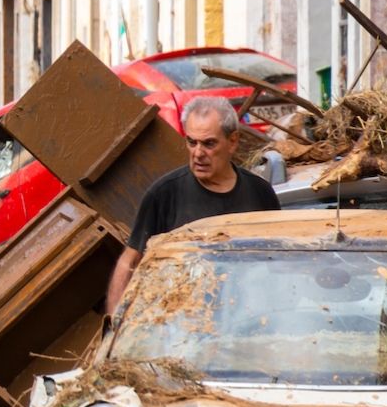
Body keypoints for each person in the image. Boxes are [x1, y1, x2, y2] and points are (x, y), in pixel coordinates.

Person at [105, 95, 279, 312]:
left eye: (209, 143)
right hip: (182, 328)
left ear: (232, 142)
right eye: (191, 142)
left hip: (246, 321)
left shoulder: (260, 193)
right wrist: (114, 324)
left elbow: (277, 265)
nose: (198, 153)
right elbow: (129, 262)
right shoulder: (164, 194)